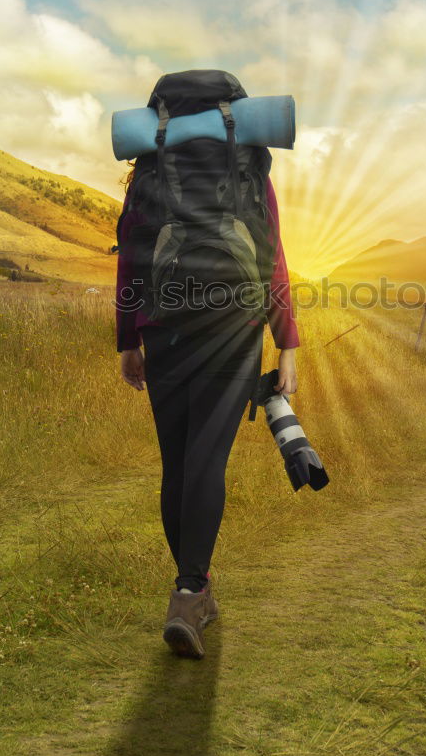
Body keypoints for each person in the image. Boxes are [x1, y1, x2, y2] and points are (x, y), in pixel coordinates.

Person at [115, 160, 299, 658]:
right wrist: (287, 345)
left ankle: (192, 592)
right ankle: (190, 594)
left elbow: (131, 258)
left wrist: (129, 339)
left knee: (176, 464)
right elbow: (272, 256)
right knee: (206, 461)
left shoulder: (154, 173)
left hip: (164, 331)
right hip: (233, 331)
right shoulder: (248, 171)